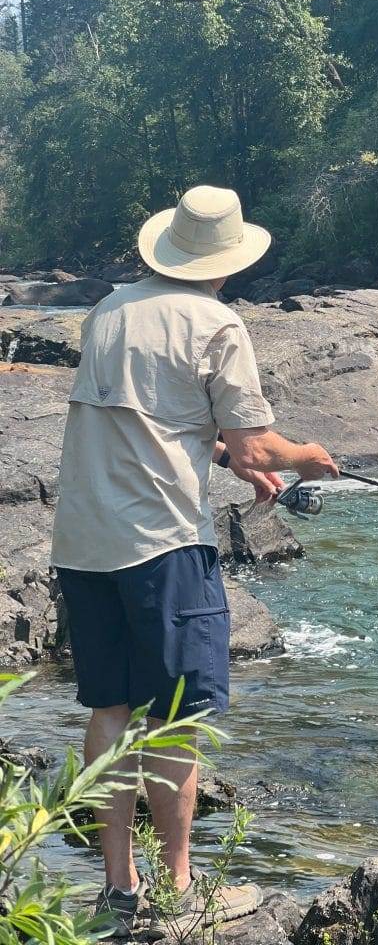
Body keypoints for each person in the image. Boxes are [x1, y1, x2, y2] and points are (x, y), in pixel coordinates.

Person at [51, 185, 338, 938]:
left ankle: (119, 888)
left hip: (84, 542)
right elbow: (259, 445)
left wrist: (222, 454)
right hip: (163, 544)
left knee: (109, 708)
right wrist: (305, 460)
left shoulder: (108, 309)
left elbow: (150, 417)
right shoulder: (217, 322)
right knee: (177, 718)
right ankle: (179, 890)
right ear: (227, 260)